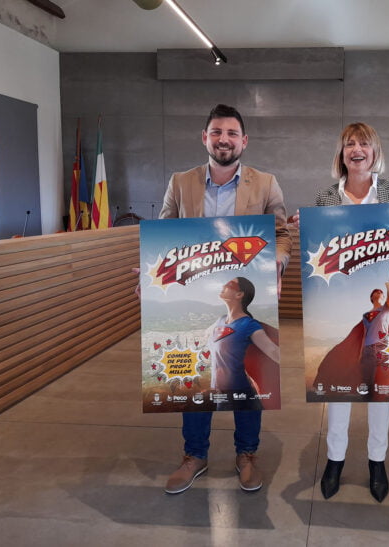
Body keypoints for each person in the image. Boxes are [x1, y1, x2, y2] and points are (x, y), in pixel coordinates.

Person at [295, 122, 389, 503]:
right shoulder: (326, 197)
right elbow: (318, 250)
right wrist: (303, 228)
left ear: (375, 151)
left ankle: (377, 460)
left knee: (381, 383)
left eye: (363, 143)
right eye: (349, 143)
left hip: (385, 302)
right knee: (341, 381)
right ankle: (335, 459)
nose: (356, 149)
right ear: (341, 153)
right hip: (342, 301)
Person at [159, 104, 291, 495]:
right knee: (195, 374)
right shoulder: (180, 182)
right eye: (216, 132)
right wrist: (151, 280)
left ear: (244, 141)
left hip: (245, 295)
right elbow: (163, 237)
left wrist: (276, 267)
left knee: (249, 372)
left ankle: (246, 453)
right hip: (195, 297)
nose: (224, 139)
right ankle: (194, 455)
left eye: (232, 133)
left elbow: (281, 235)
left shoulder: (266, 183)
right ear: (205, 137)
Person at [209, 277, 280, 413]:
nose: (223, 284)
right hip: (220, 392)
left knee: (247, 431)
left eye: (229, 284)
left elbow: (273, 351)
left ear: (239, 295)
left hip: (239, 392)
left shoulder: (249, 324)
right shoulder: (220, 320)